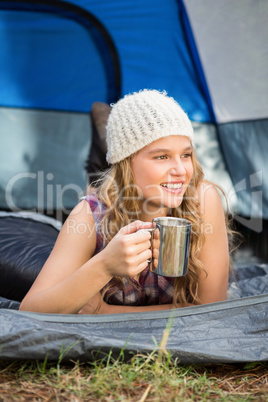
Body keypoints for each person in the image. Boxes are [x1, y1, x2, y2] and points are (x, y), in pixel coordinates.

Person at [19, 89, 230, 314]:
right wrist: (105, 265)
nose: (181, 170)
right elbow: (30, 311)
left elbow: (211, 311)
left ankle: (102, 139)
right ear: (126, 163)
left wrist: (104, 311)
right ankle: (101, 145)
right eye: (162, 156)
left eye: (186, 155)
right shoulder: (89, 214)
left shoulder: (202, 200)